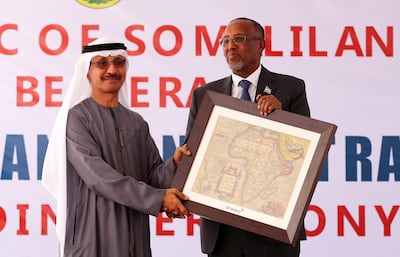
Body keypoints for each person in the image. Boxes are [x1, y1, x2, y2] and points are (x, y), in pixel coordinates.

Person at [42, 38, 191, 257]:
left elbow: (154, 176)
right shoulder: (76, 120)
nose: (112, 69)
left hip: (135, 237)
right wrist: (158, 199)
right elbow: (99, 178)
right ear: (87, 72)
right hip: (92, 236)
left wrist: (176, 164)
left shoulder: (136, 123)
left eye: (119, 62)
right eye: (102, 63)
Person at [185, 17, 311, 257]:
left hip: (273, 227)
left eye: (239, 39)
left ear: (261, 45)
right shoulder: (204, 95)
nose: (230, 46)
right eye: (225, 41)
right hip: (222, 230)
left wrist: (281, 115)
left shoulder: (290, 88)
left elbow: (304, 154)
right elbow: (192, 153)